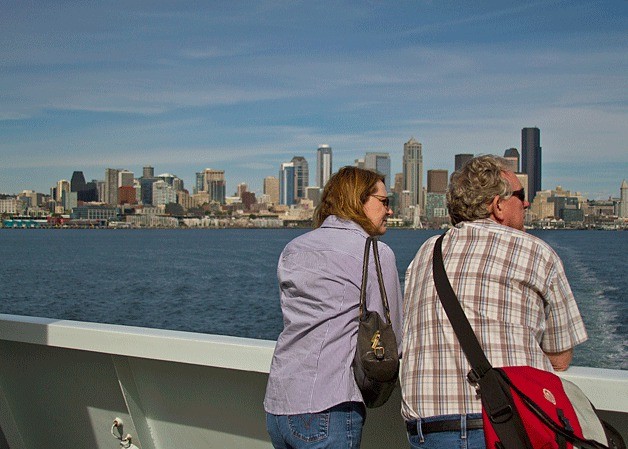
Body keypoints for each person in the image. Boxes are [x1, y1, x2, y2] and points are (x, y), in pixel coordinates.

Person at [400, 155, 588, 449]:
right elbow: (560, 358)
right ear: (498, 205)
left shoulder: (426, 254)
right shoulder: (536, 252)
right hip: (505, 428)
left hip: (431, 429)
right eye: (520, 196)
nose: (526, 204)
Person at [264, 166, 403, 449]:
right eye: (384, 202)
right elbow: (392, 337)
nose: (389, 211)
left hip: (279, 404)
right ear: (358, 200)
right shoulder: (374, 252)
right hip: (330, 404)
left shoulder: (294, 248)